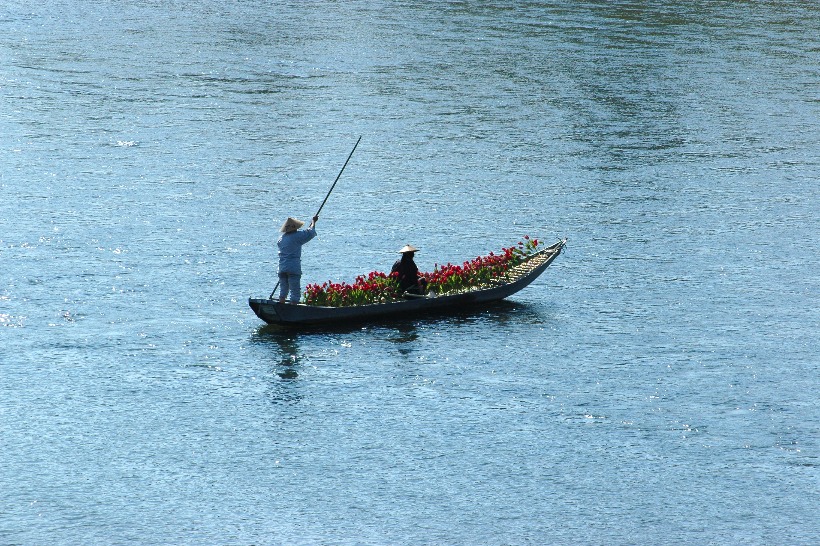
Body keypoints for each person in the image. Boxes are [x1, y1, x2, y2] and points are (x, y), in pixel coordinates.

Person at [277, 215, 318, 304]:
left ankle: (281, 305)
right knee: (295, 292)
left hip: (282, 267)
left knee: (283, 291)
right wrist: (314, 222)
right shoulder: (297, 236)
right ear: (295, 228)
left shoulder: (281, 239)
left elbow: (306, 233)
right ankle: (293, 310)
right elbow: (310, 233)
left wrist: (310, 225)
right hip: (293, 267)